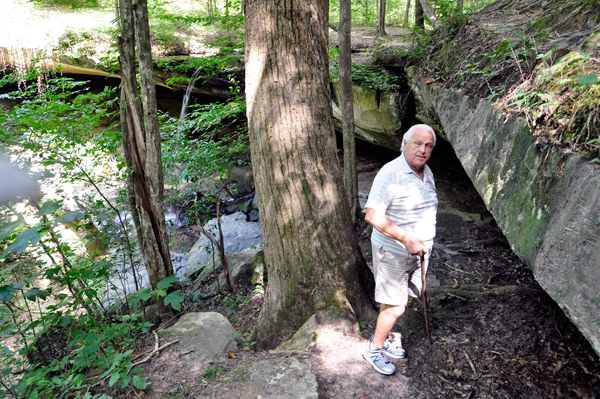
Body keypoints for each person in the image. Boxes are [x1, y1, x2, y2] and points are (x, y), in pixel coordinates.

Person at [362, 124, 438, 375]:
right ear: (404, 143)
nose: (423, 150)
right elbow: (372, 215)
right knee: (396, 306)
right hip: (394, 251)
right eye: (417, 143)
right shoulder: (391, 172)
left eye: (428, 145)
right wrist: (406, 238)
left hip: (418, 252)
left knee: (401, 300)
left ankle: (385, 338)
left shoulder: (426, 172)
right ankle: (374, 348)